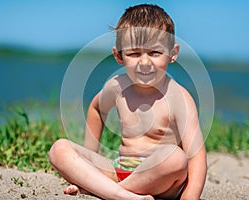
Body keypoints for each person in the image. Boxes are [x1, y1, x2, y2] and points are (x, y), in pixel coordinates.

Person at [49, 4, 207, 200]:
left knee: (175, 158)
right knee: (59, 149)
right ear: (118, 56)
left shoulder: (178, 98)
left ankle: (104, 190)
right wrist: (91, 159)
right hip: (119, 169)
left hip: (161, 180)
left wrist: (190, 197)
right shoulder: (117, 87)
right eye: (134, 54)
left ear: (172, 53)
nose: (145, 62)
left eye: (155, 53)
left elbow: (196, 156)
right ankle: (119, 194)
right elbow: (96, 108)